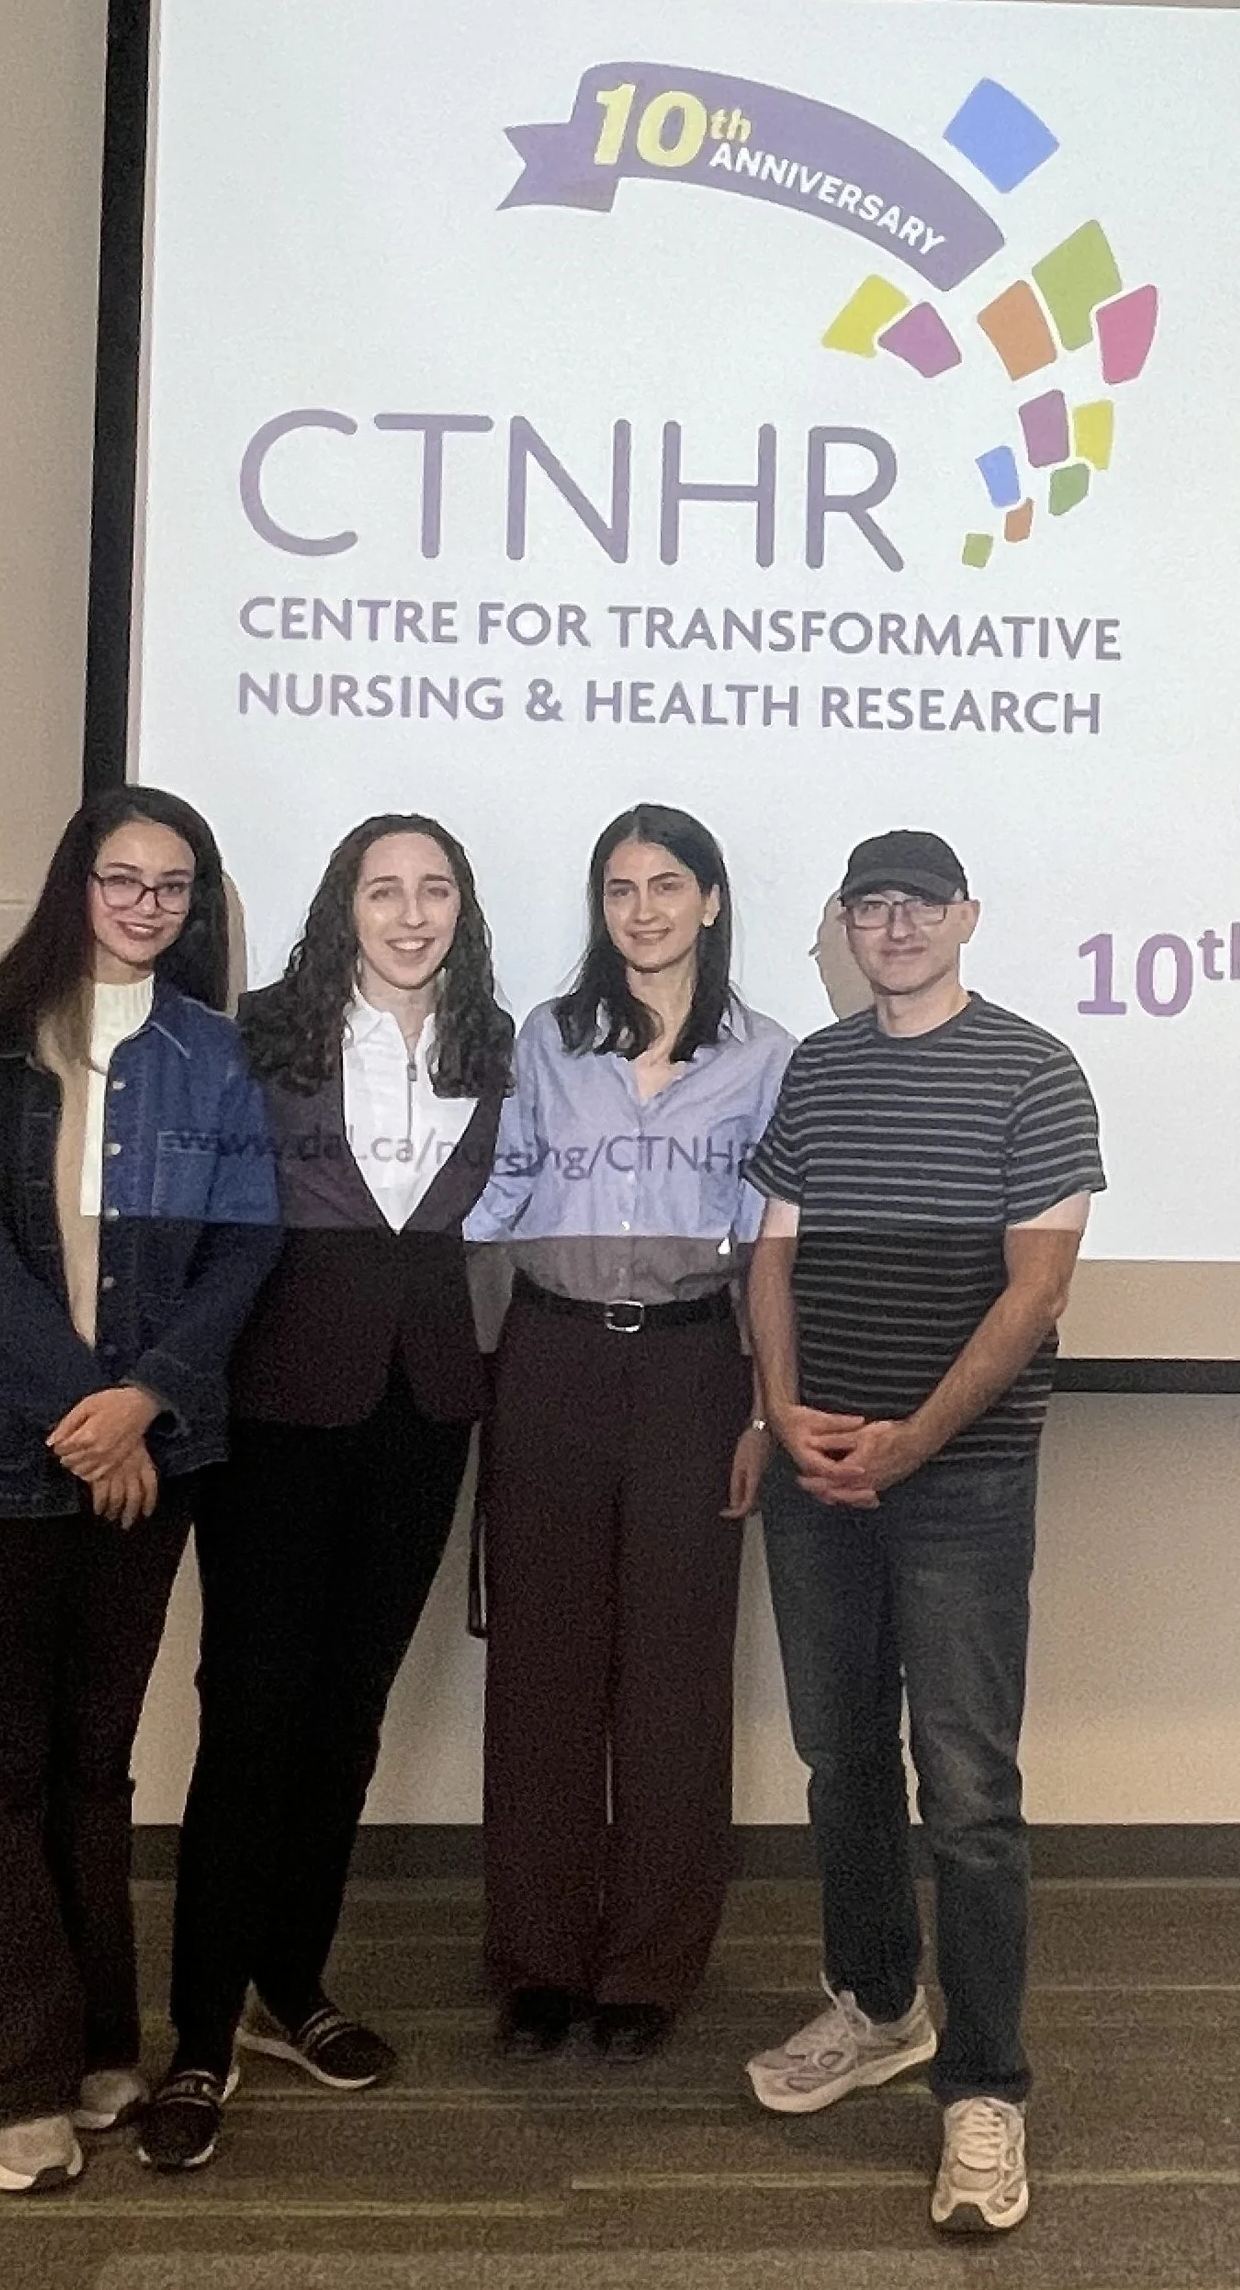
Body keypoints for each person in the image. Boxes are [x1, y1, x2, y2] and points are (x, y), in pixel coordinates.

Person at [0, 787, 279, 2195]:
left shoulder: (215, 1058)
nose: (146, 904)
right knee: (3, 1763)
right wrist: (89, 1412)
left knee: (97, 1758)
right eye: (123, 877)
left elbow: (244, 1249)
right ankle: (10, 2077)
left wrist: (145, 1399)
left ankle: (97, 2039)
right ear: (78, 884)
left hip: (147, 1456)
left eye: (173, 885)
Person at [741, 829, 1104, 2235]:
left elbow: (1036, 1291)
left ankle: (985, 2084)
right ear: (845, 923)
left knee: (967, 1790)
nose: (893, 926)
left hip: (961, 1482)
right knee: (840, 1758)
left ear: (967, 916)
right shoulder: (819, 1071)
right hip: (817, 1473)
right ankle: (880, 2003)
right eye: (870, 906)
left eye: (919, 905)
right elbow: (772, 1255)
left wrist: (912, 1440)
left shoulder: (1034, 1070)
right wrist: (784, 1412)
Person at [139, 815, 514, 2170]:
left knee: (349, 1714)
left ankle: (290, 1985)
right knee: (250, 1718)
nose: (410, 913)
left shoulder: (495, 1043)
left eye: (434, 889)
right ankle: (198, 2032)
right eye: (382, 888)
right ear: (341, 904)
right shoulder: (257, 1032)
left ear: (462, 908)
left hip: (425, 1411)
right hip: (276, 1408)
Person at [464, 804, 792, 2059]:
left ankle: (649, 1964)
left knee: (674, 1674)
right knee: (541, 1669)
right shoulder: (547, 1039)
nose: (642, 909)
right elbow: (501, 1193)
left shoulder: (767, 1056)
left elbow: (774, 1252)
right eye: (619, 887)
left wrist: (761, 1406)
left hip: (693, 1370)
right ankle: (538, 1958)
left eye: (666, 884)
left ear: (711, 900)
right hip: (549, 1360)